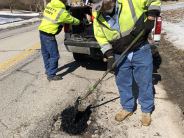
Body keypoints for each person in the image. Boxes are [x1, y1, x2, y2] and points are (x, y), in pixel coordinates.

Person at [92, 0, 161, 126]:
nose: (100, 10)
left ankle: (146, 110)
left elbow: (153, 1)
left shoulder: (130, 1)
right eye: (97, 7)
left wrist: (151, 16)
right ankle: (127, 107)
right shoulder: (98, 16)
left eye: (102, 6)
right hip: (119, 52)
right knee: (122, 81)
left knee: (144, 80)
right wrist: (110, 55)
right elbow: (101, 38)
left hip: (140, 48)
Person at [38, 0, 82, 81]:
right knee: (54, 55)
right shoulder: (62, 12)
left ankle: (48, 70)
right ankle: (51, 75)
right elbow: (72, 20)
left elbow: (55, 12)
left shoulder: (50, 4)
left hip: (41, 32)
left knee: (45, 53)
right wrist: (80, 22)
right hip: (49, 34)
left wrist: (65, 8)